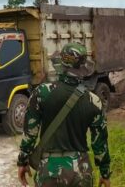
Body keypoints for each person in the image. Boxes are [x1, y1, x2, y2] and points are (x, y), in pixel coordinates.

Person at [17, 42, 111, 187]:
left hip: (48, 171)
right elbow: (100, 143)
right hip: (80, 171)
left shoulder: (42, 93)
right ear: (83, 67)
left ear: (60, 64)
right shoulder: (94, 101)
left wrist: (23, 161)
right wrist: (105, 173)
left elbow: (30, 133)